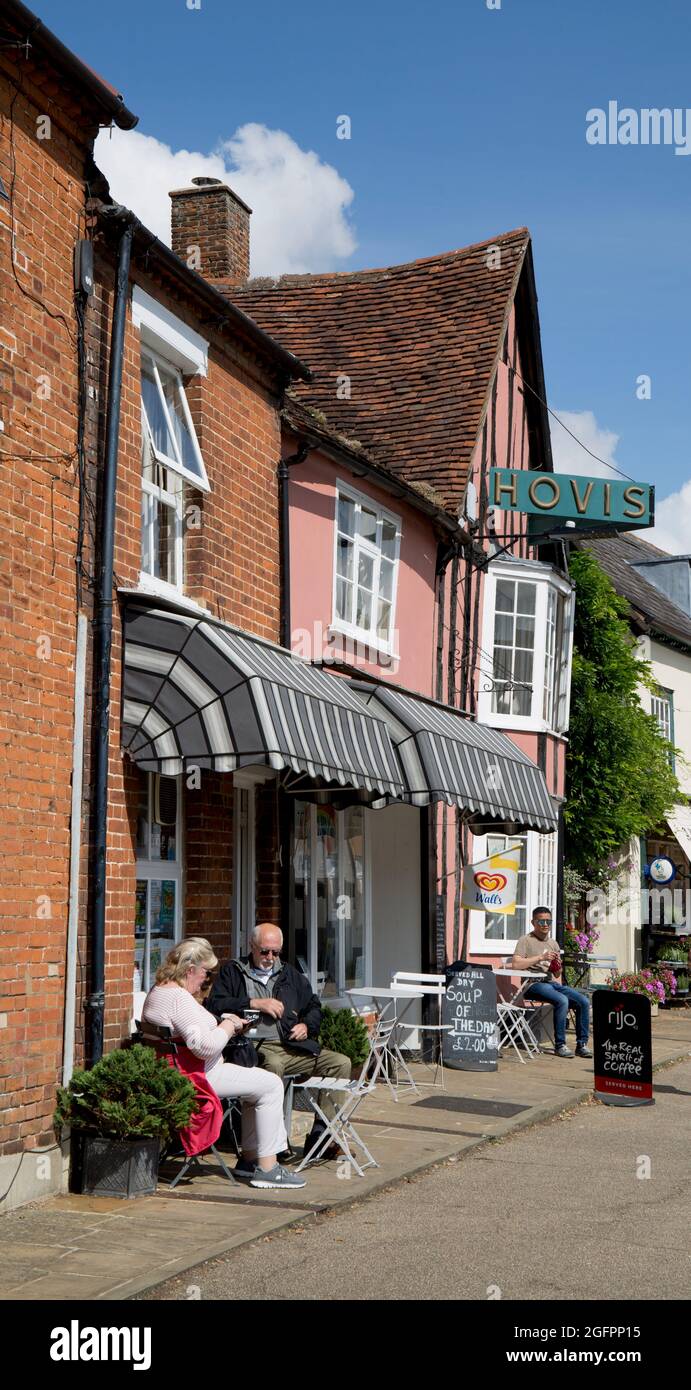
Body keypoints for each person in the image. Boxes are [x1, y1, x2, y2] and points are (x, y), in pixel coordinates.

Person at [142, 937, 306, 1189]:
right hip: (199, 1076)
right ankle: (268, 1168)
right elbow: (204, 1047)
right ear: (190, 970)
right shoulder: (179, 998)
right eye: (205, 972)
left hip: (176, 1071)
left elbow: (192, 1032)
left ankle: (250, 1161)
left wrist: (224, 1022)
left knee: (256, 1086)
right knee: (272, 1084)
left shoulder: (158, 991)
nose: (206, 979)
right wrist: (229, 1026)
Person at [206, 923, 352, 1162]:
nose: (270, 958)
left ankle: (321, 1138)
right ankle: (273, 1144)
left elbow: (314, 1006)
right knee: (273, 1068)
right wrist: (254, 1003)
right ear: (251, 947)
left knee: (340, 1063)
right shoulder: (233, 971)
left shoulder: (289, 974)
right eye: (264, 952)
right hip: (252, 1047)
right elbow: (215, 1005)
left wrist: (306, 1025)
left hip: (291, 1045)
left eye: (275, 953)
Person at [511, 907, 592, 1058]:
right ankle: (560, 1045)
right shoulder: (525, 940)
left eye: (548, 921)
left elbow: (556, 974)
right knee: (561, 1000)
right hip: (531, 984)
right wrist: (541, 958)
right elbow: (515, 964)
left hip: (550, 983)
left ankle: (582, 1045)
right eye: (541, 921)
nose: (545, 924)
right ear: (533, 922)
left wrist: (557, 965)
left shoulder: (553, 943)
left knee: (583, 1001)